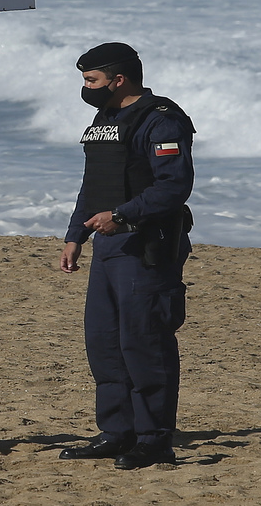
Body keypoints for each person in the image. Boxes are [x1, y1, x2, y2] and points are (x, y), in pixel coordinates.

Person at [57, 42, 196, 470]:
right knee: (104, 343)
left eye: (91, 80)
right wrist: (75, 234)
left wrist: (123, 215)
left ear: (119, 80)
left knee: (145, 343)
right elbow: (94, 183)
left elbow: (173, 187)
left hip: (147, 245)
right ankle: (117, 432)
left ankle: (154, 439)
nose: (86, 88)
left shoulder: (161, 120)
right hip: (107, 248)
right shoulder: (105, 120)